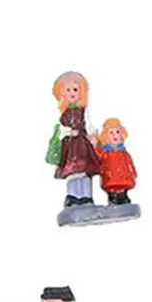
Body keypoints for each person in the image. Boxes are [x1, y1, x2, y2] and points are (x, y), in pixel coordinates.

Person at [50, 71, 100, 208]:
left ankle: (86, 196)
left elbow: (89, 124)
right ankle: (73, 196)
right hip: (71, 147)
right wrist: (68, 132)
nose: (72, 93)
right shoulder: (64, 113)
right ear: (62, 93)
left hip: (83, 145)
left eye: (75, 89)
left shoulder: (84, 111)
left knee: (85, 170)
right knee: (72, 172)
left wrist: (93, 135)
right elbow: (61, 128)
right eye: (68, 90)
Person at [96, 118, 137, 206]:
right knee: (112, 189)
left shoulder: (124, 153)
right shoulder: (105, 153)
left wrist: (133, 173)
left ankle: (123, 196)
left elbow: (129, 163)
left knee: (122, 189)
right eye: (111, 133)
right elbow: (98, 158)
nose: (115, 135)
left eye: (117, 132)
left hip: (123, 177)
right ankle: (113, 198)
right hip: (110, 177)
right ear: (106, 137)